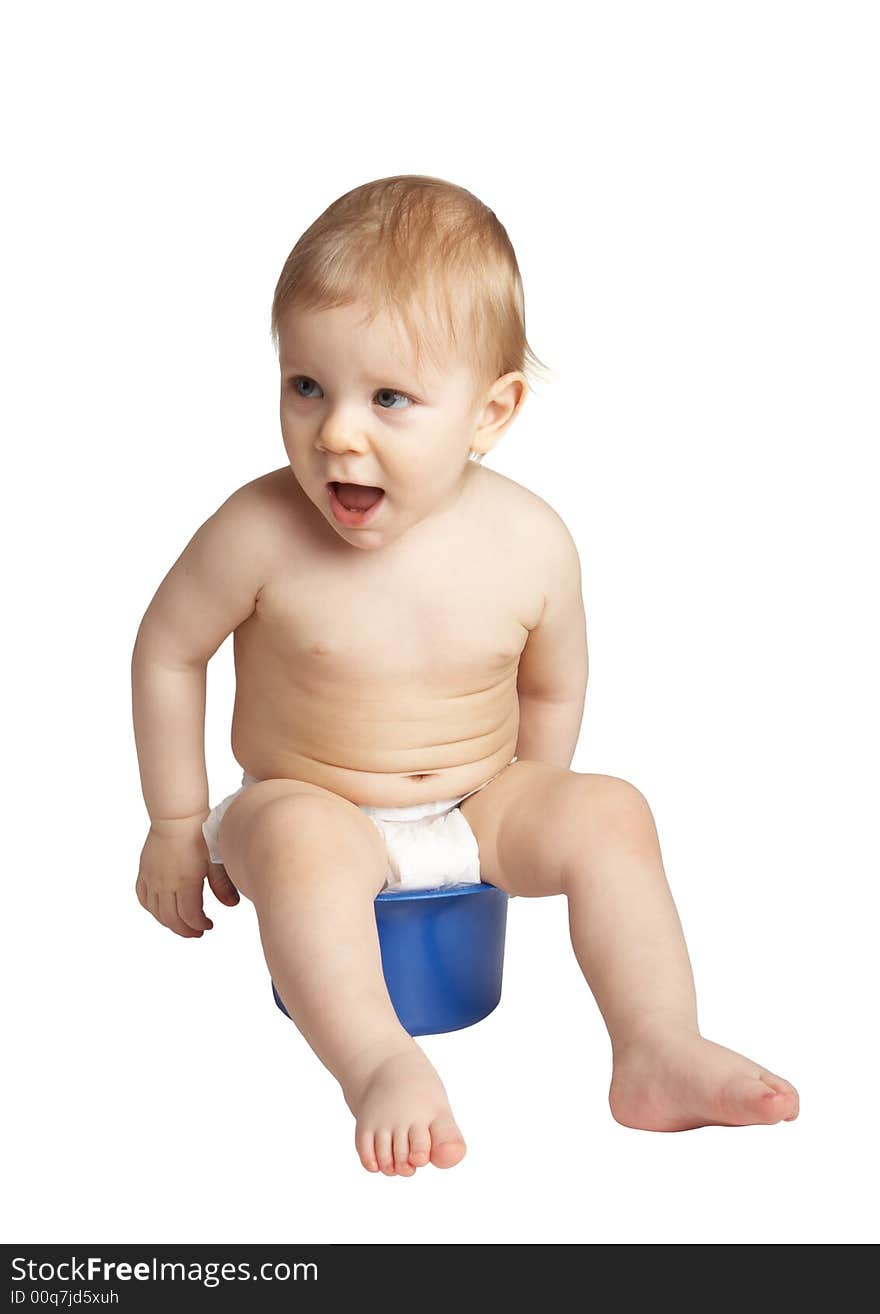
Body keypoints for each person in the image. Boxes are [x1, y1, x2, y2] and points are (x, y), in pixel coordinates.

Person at [131, 174, 799, 1177]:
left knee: (613, 811)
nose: (336, 433)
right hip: (307, 803)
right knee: (306, 847)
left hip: (473, 801)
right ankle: (377, 1065)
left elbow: (550, 686)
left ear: (491, 412)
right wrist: (179, 824)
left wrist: (532, 797)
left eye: (389, 398)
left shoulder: (530, 543)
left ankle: (655, 1044)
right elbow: (167, 650)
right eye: (306, 385)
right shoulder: (255, 532)